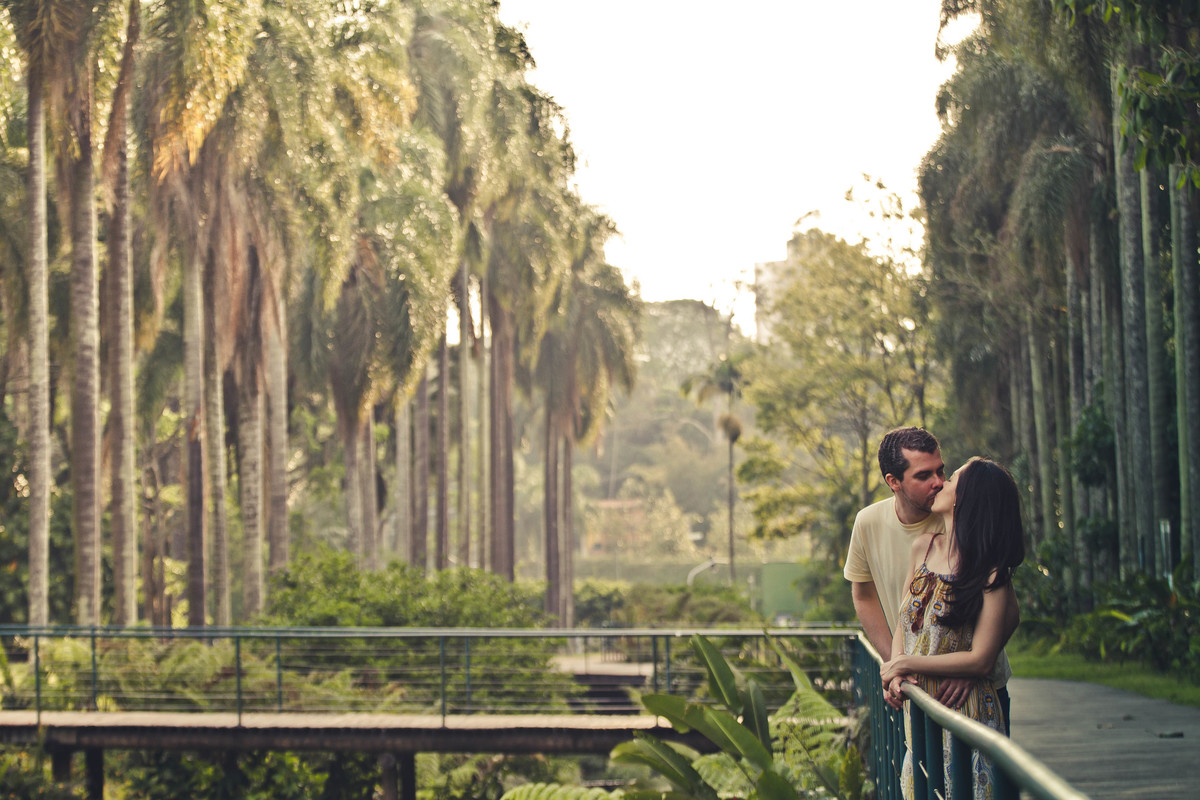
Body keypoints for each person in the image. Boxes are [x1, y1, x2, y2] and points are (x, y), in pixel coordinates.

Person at [843, 427, 1016, 716]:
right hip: (916, 687)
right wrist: (895, 665)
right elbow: (864, 596)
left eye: (941, 471)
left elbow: (1009, 612)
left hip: (974, 688)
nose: (938, 482)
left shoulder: (963, 520)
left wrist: (970, 668)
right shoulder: (869, 523)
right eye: (923, 476)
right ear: (893, 481)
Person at [880, 456, 1025, 800]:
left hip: (967, 710)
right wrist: (897, 671)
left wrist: (906, 663)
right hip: (921, 709)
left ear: (967, 500)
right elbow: (904, 621)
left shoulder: (990, 572)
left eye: (952, 480)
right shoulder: (923, 547)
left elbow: (982, 659)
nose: (941, 484)